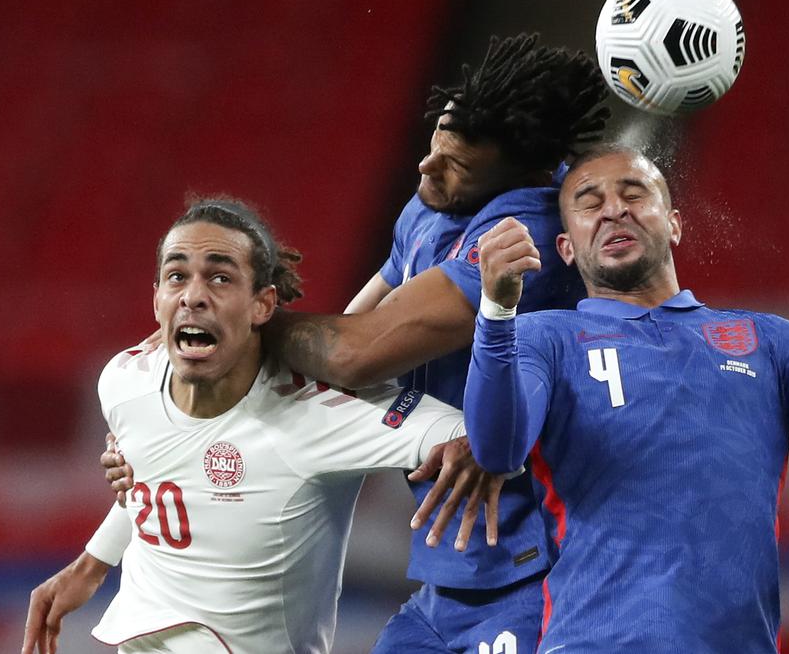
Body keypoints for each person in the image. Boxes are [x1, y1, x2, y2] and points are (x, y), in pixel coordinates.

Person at [100, 33, 611, 653]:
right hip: (454, 568)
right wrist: (170, 435)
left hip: (541, 559)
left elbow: (356, 350)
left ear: (521, 174)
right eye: (434, 148)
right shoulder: (433, 208)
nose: (427, 169)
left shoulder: (527, 232)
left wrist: (231, 324)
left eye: (456, 166)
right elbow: (333, 358)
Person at [462, 145, 789, 652]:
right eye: (590, 203)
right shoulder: (542, 339)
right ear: (567, 247)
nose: (614, 209)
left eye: (633, 193)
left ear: (675, 224)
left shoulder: (773, 343)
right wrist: (496, 314)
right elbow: (498, 448)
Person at [22, 198, 490, 654]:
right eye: (176, 276)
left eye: (220, 278)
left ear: (264, 305)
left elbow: (466, 433)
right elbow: (160, 466)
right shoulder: (125, 382)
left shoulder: (319, 413)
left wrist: (471, 442)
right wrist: (93, 563)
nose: (193, 296)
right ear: (157, 299)